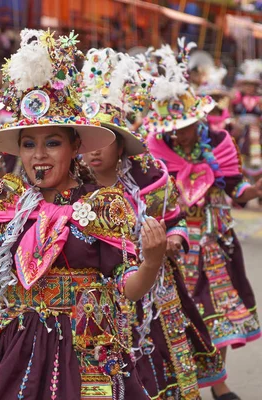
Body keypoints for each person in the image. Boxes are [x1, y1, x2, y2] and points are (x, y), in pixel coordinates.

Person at [0, 29, 167, 400]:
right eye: (29, 144)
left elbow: (128, 288)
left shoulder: (102, 205)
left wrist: (151, 262)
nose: (39, 155)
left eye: (52, 142)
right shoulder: (4, 203)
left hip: (83, 348)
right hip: (13, 345)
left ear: (75, 146)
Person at [81, 47, 226, 399]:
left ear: (121, 146)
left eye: (105, 140)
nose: (95, 150)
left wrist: (171, 239)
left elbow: (176, 220)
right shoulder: (73, 188)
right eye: (88, 142)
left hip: (154, 292)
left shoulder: (149, 179)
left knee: (162, 361)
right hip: (100, 297)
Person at [144, 40, 261, 400]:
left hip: (216, 244)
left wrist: (255, 190)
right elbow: (150, 197)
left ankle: (218, 384)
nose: (179, 133)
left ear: (198, 118)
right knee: (177, 317)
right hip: (175, 246)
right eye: (173, 127)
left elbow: (235, 186)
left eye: (185, 125)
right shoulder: (155, 151)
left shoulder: (221, 141)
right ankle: (186, 384)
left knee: (221, 316)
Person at [231, 59, 262, 181]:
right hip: (240, 129)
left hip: (255, 131)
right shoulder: (236, 99)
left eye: (251, 85)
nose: (248, 87)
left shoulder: (259, 101)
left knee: (254, 140)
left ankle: (256, 165)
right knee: (237, 146)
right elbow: (231, 113)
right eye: (246, 84)